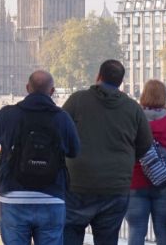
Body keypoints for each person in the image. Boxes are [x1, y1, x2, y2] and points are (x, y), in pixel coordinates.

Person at [62, 59, 152, 245]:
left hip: (78, 183)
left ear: (98, 76)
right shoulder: (133, 108)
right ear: (121, 81)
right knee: (108, 238)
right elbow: (145, 144)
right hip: (116, 185)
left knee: (70, 234)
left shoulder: (77, 100)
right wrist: (125, 159)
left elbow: (59, 132)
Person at [0, 70, 81, 245]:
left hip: (13, 194)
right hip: (52, 195)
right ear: (52, 91)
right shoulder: (62, 118)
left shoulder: (8, 114)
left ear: (27, 88)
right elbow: (74, 150)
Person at [125, 80, 166, 245]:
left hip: (135, 181)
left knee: (136, 230)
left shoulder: (134, 119)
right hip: (164, 182)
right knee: (163, 231)